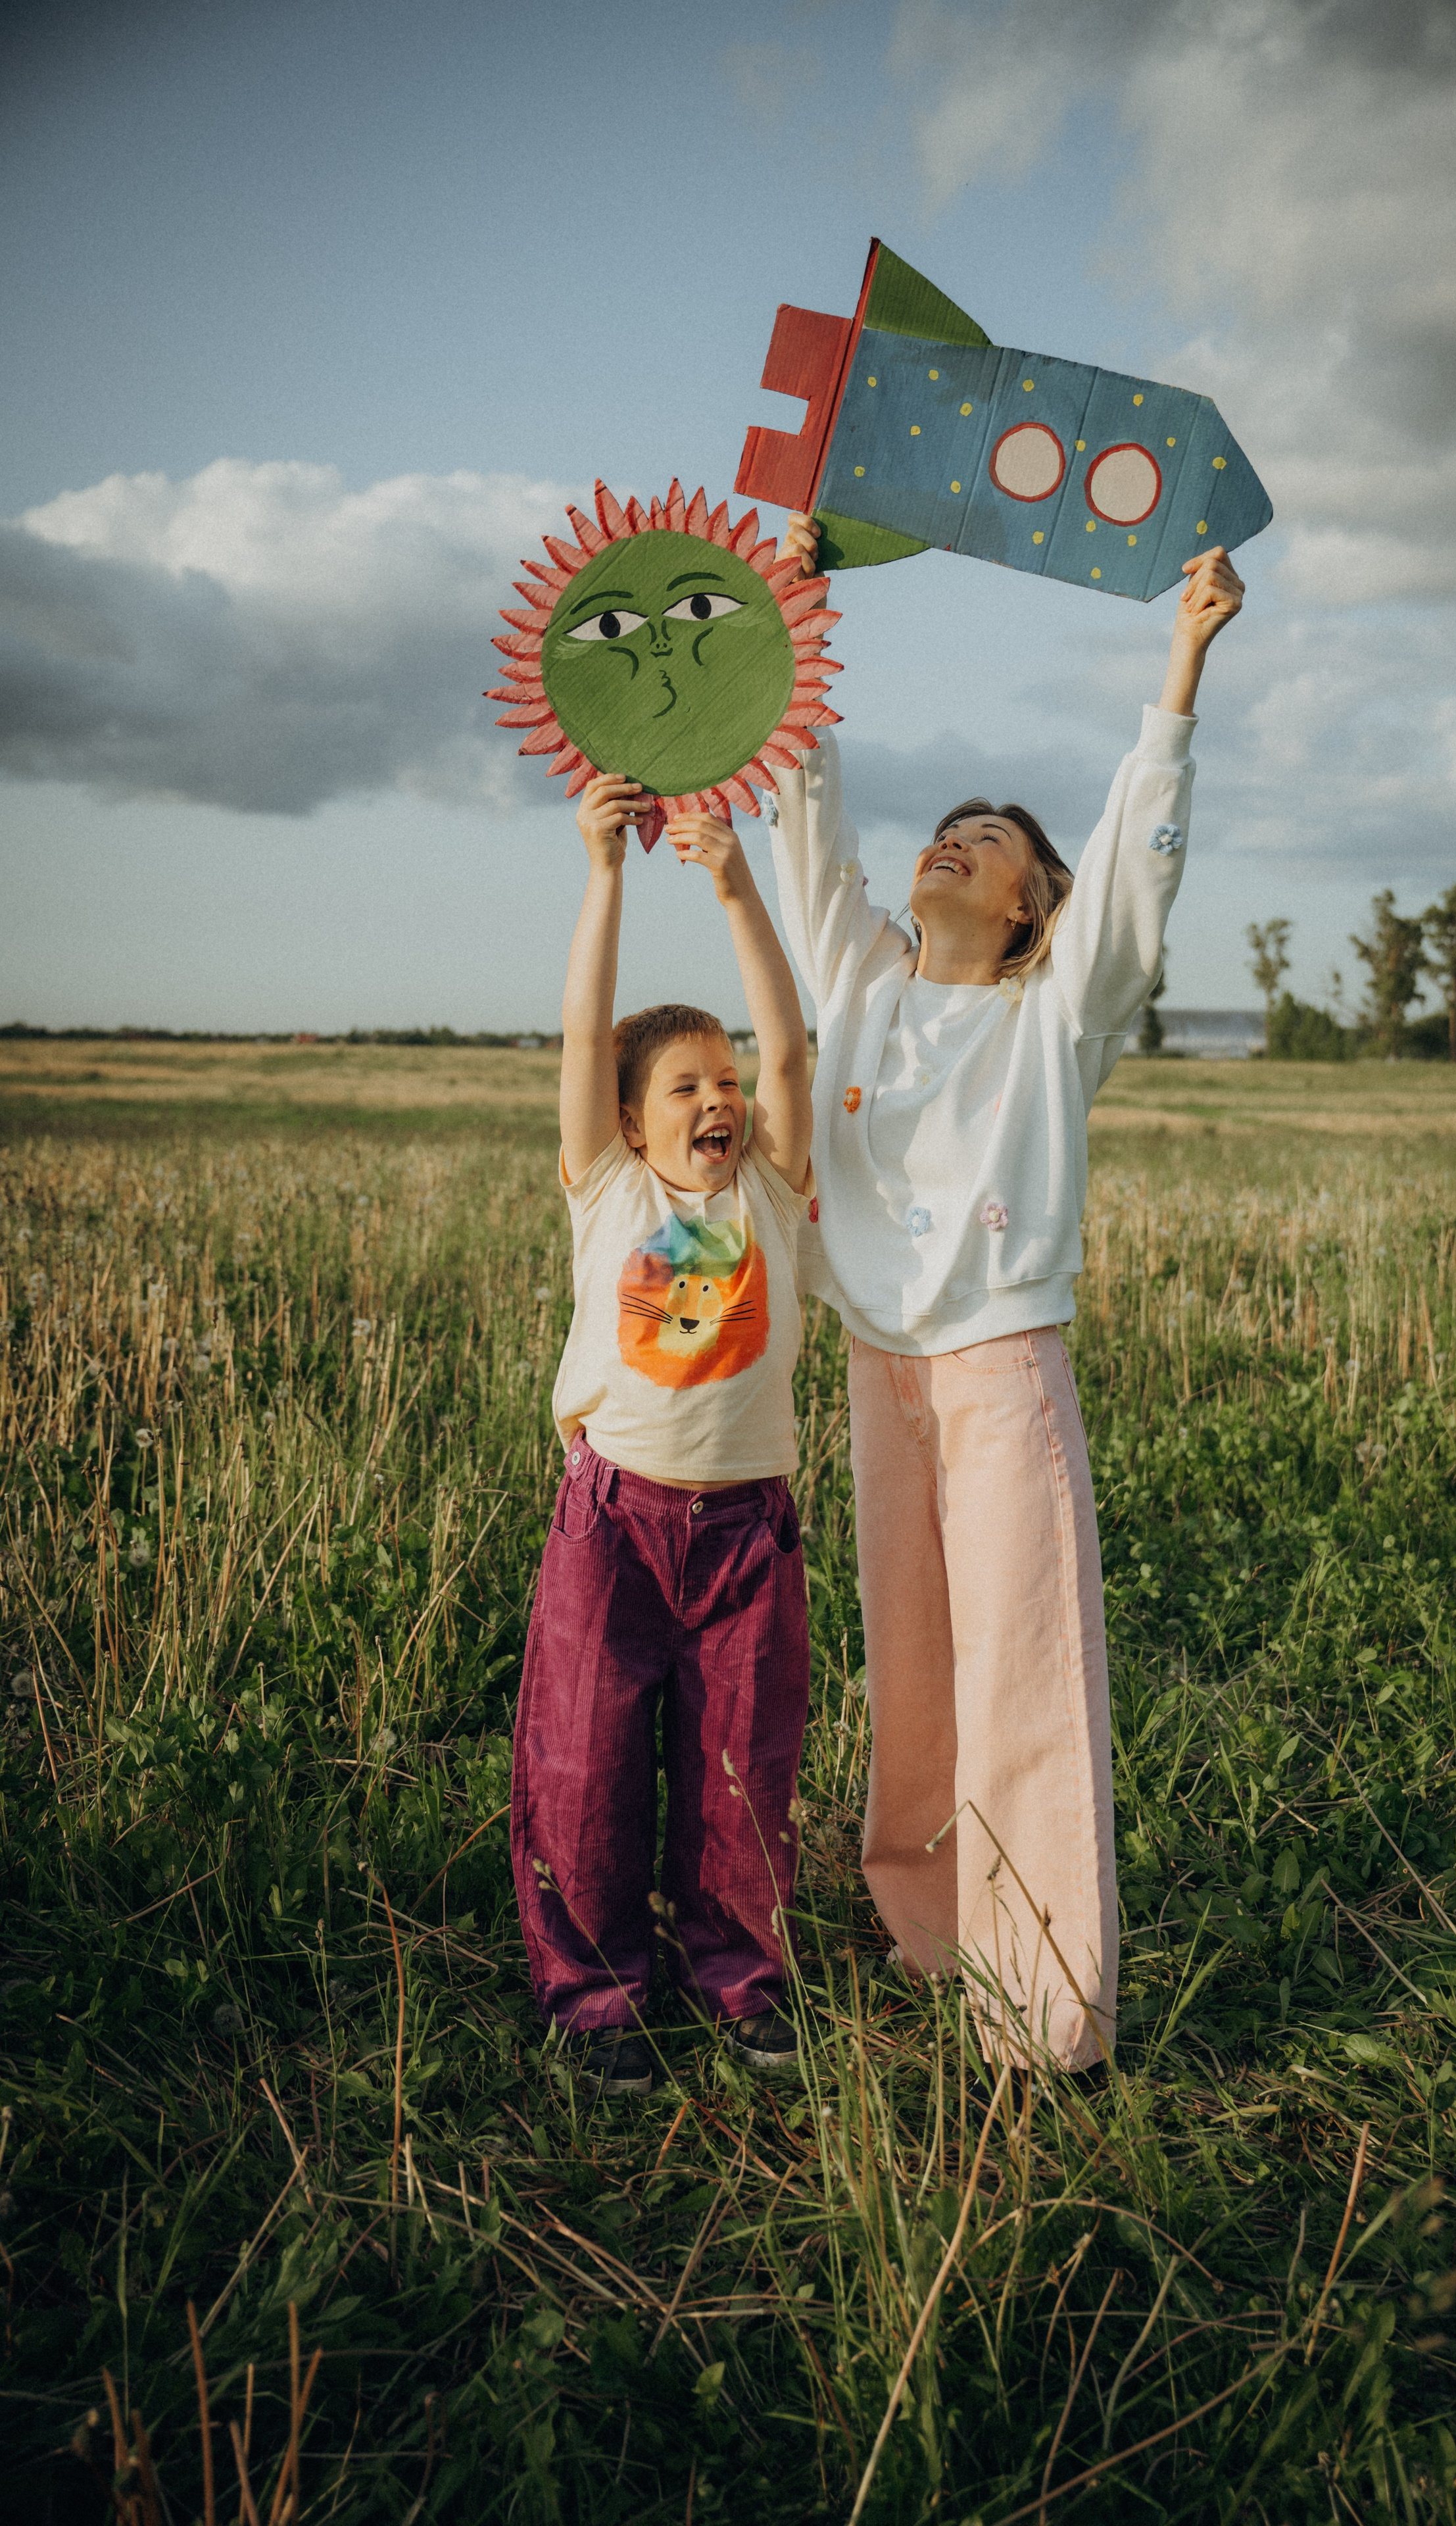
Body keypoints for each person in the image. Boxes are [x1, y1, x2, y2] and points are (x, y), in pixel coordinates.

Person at [766, 518, 1244, 2071]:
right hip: (875, 1357)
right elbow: (802, 814)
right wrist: (799, 611)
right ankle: (925, 1934)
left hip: (995, 1366)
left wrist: (1178, 664)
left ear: (1036, 903)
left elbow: (1133, 864)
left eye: (992, 839)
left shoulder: (1060, 1013)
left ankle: (1042, 2008)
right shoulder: (860, 982)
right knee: (909, 1659)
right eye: (944, 828)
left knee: (1023, 1669)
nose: (953, 839)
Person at [510, 770, 815, 2096]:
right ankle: (593, 1999)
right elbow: (583, 1042)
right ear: (632, 1120)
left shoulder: (774, 1192)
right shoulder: (608, 1189)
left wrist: (735, 884)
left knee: (742, 1771)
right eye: (686, 1083)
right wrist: (606, 872)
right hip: (613, 1519)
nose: (721, 1097)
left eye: (727, 1081)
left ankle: (738, 1985)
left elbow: (792, 1048)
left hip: (748, 1528)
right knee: (582, 1765)